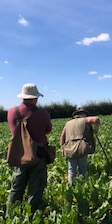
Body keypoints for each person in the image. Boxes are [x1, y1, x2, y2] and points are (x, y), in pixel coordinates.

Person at [6, 83, 52, 215]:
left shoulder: (11, 112)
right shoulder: (43, 114)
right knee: (35, 188)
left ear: (23, 97)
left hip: (19, 155)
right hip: (38, 155)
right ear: (36, 98)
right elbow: (48, 130)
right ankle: (30, 217)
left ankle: (11, 218)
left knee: (16, 188)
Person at [60, 108, 100, 184]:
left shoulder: (68, 123)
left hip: (69, 148)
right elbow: (96, 119)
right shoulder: (85, 120)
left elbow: (62, 137)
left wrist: (63, 148)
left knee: (71, 169)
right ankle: (82, 186)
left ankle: (72, 187)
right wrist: (96, 130)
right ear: (83, 114)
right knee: (83, 168)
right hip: (82, 147)